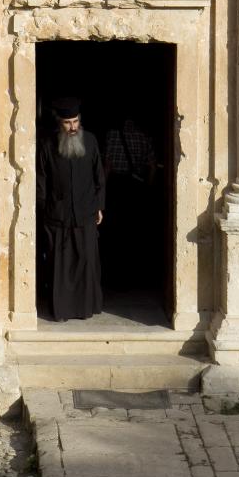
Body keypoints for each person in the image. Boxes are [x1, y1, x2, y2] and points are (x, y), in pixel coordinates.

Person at [36, 98, 105, 321]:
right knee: (60, 266)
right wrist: (45, 209)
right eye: (67, 123)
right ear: (60, 123)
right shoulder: (47, 145)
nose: (72, 127)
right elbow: (41, 181)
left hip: (86, 212)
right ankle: (62, 311)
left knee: (86, 261)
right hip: (58, 215)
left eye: (75, 121)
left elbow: (99, 177)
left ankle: (84, 309)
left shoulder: (91, 141)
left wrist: (99, 207)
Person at [101, 117, 157, 289]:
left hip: (117, 187)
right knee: (133, 231)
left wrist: (101, 191)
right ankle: (132, 276)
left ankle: (113, 275)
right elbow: (152, 166)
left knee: (114, 231)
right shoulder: (144, 137)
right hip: (135, 187)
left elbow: (107, 166)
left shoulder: (112, 135)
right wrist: (148, 188)